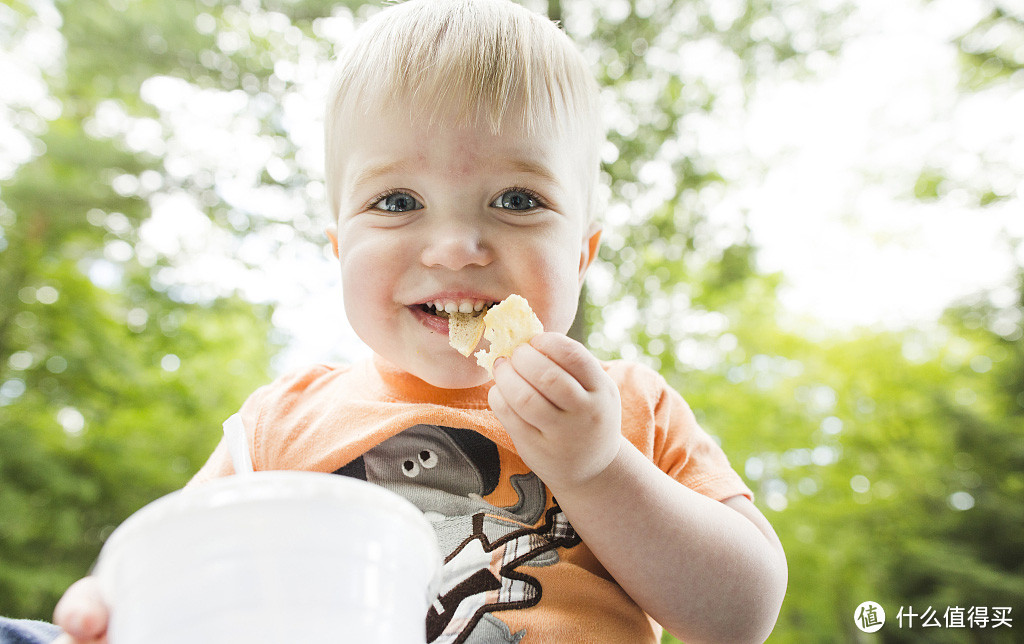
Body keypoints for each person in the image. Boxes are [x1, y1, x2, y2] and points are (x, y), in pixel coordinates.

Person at [41, 0, 787, 642]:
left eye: (518, 199)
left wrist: (599, 468)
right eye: (398, 202)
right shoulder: (279, 425)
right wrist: (111, 600)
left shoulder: (626, 408)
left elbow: (740, 614)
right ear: (339, 247)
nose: (458, 247)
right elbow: (173, 555)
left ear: (583, 253)